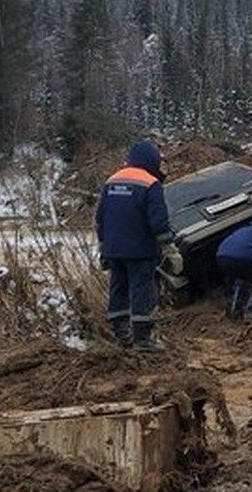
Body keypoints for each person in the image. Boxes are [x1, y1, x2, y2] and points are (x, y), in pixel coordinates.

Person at [95, 139, 181, 351]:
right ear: (153, 161)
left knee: (118, 289)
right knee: (142, 291)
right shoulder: (151, 184)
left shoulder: (112, 181)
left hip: (114, 251)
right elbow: (158, 223)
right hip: (141, 251)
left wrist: (104, 248)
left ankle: (121, 334)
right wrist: (171, 250)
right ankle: (143, 339)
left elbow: (100, 218)